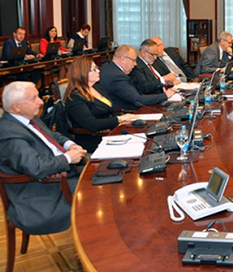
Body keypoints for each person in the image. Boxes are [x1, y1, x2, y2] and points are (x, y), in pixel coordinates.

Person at [0, 81, 86, 235]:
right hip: (41, 192)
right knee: (101, 193)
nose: (40, 102)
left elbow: (53, 136)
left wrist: (70, 145)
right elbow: (35, 167)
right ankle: (94, 243)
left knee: (111, 174)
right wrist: (67, 158)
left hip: (63, 175)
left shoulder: (28, 118)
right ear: (16, 106)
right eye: (33, 99)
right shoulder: (8, 133)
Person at [64, 56, 123, 152]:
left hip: (111, 133)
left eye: (97, 68)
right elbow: (92, 124)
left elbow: (110, 110)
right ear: (83, 73)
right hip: (94, 140)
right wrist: (119, 119)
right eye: (94, 69)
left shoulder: (96, 87)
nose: (98, 71)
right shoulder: (74, 97)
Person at [98, 45, 175, 111]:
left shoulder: (108, 66)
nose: (135, 64)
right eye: (133, 60)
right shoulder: (118, 77)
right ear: (123, 59)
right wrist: (165, 95)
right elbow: (138, 100)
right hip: (128, 112)